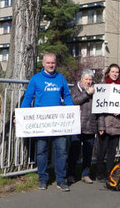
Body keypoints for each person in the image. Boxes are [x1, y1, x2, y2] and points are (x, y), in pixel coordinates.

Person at [21, 53, 73, 192]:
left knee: (61, 151)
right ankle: (43, 179)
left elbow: (67, 96)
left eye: (53, 63)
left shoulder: (60, 78)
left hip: (58, 122)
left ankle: (61, 180)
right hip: (41, 123)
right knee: (41, 151)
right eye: (48, 63)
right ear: (43, 64)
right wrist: (20, 115)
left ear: (56, 64)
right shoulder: (36, 79)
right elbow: (28, 98)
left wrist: (72, 111)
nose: (51, 65)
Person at [67, 69, 97, 184]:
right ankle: (70, 174)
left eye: (90, 79)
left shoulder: (96, 90)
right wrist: (87, 94)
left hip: (91, 124)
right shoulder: (75, 89)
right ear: (81, 79)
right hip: (77, 125)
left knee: (88, 152)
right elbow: (74, 101)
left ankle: (86, 174)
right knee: (74, 151)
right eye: (86, 79)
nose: (88, 82)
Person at [96, 63, 120, 181]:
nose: (115, 74)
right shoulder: (102, 86)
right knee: (102, 150)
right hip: (105, 123)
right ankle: (99, 173)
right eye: (113, 71)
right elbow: (98, 108)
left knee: (112, 151)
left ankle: (109, 173)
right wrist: (101, 125)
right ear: (108, 73)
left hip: (117, 124)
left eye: (117, 72)